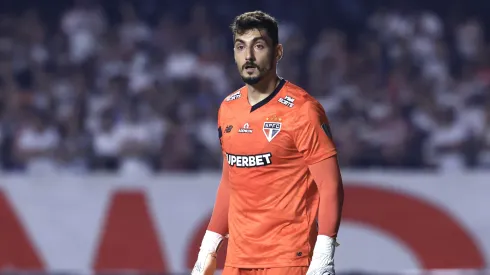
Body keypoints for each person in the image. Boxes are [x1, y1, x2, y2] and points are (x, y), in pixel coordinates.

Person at [192, 10, 344, 275]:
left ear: (278, 52)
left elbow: (330, 185)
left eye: (258, 46)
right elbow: (230, 180)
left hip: (287, 259)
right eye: (241, 47)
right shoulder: (228, 108)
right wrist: (209, 247)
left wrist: (324, 254)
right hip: (238, 259)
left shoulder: (303, 109)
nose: (248, 56)